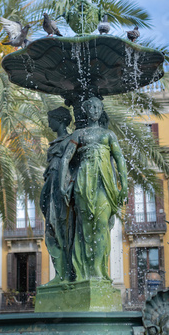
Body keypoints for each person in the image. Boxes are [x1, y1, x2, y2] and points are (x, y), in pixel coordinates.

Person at [59, 97, 128, 281]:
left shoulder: (108, 135)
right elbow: (66, 159)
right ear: (86, 110)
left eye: (99, 107)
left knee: (101, 225)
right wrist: (62, 185)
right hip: (84, 183)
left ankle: (98, 268)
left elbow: (120, 159)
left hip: (104, 184)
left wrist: (124, 185)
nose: (96, 110)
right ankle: (85, 271)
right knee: (85, 228)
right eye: (92, 107)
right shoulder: (79, 134)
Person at [40, 106, 75, 283]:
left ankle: (65, 274)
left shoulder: (70, 140)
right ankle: (60, 273)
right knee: (51, 231)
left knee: (61, 230)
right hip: (51, 186)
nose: (48, 123)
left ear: (60, 120)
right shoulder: (57, 143)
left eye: (51, 119)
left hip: (60, 189)